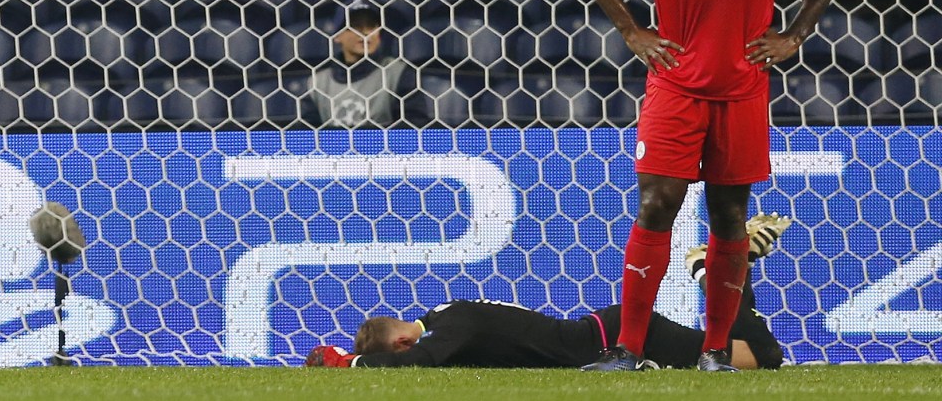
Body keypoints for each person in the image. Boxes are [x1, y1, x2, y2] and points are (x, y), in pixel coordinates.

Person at [575, 0, 843, 372]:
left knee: (728, 215)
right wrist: (630, 29)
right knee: (656, 204)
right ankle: (628, 349)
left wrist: (794, 34)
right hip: (675, 85)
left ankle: (716, 351)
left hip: (743, 89)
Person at [305, 213, 791, 370]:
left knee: (763, 357)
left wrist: (349, 364)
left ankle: (720, 270)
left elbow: (421, 365)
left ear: (404, 342)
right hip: (605, 328)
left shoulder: (450, 329)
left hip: (611, 337)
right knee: (738, 356)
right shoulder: (446, 311)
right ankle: (723, 269)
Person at [300, 0, 426, 128]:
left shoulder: (398, 73)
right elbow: (308, 138)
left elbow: (413, 132)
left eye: (371, 26)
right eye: (355, 26)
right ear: (337, 35)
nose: (366, 32)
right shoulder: (317, 84)